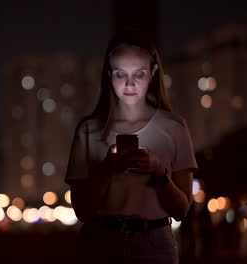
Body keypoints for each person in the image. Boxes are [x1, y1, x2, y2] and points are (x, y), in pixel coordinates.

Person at [64, 30, 198, 263]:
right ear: (108, 75)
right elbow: (82, 210)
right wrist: (106, 170)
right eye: (120, 74)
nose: (129, 84)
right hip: (100, 243)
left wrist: (158, 173)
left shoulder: (174, 127)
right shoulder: (89, 130)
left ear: (153, 73)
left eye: (139, 74)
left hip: (154, 244)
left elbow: (181, 210)